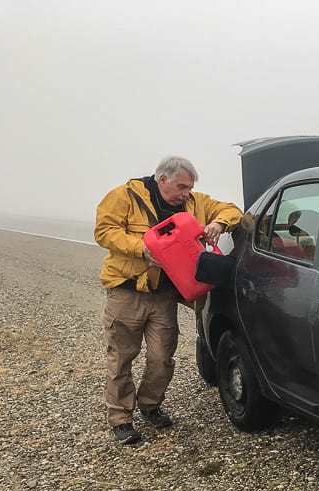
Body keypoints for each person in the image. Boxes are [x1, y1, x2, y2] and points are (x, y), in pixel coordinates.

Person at [94, 156, 242, 444]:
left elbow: (231, 210)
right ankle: (121, 419)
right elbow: (104, 231)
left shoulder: (195, 202)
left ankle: (150, 405)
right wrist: (143, 249)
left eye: (190, 187)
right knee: (121, 357)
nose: (186, 192)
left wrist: (219, 225)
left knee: (162, 358)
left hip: (165, 296)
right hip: (127, 293)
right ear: (163, 180)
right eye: (181, 186)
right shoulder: (125, 196)